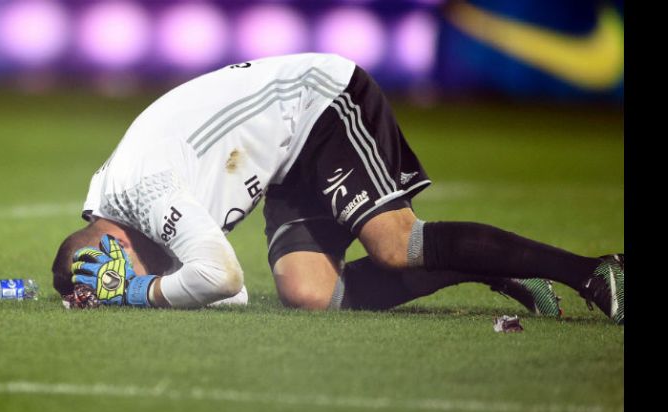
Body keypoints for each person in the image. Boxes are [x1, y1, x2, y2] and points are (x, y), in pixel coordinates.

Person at [51, 53, 623, 323]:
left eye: (117, 275)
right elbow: (232, 295)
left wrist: (139, 293)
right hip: (283, 155)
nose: (127, 280)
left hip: (318, 102)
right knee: (310, 293)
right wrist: (151, 285)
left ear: (114, 247)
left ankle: (595, 271)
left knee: (396, 243)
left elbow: (220, 277)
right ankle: (487, 266)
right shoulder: (123, 213)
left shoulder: (145, 192)